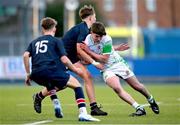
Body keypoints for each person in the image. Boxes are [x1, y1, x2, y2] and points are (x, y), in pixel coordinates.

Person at [33, 5, 107, 116]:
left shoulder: (84, 29)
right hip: (62, 57)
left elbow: (79, 50)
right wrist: (94, 62)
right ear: (91, 18)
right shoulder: (83, 29)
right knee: (83, 77)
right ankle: (93, 108)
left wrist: (85, 59)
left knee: (63, 84)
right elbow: (78, 49)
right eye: (95, 17)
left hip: (69, 57)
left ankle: (39, 96)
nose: (95, 19)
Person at [23, 17, 100, 121]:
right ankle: (83, 114)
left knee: (59, 84)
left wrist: (28, 74)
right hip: (50, 70)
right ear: (54, 29)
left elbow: (25, 55)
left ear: (42, 29)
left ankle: (42, 98)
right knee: (77, 85)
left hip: (36, 74)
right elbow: (64, 59)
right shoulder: (56, 41)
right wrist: (75, 69)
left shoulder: (34, 41)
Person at [80, 22, 160, 116]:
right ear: (91, 32)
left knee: (137, 86)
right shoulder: (86, 41)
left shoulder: (107, 39)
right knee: (117, 88)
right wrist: (86, 59)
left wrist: (88, 51)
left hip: (117, 63)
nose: (99, 38)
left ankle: (150, 99)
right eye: (97, 36)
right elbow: (91, 56)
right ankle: (139, 108)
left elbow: (104, 58)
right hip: (106, 69)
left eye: (101, 36)